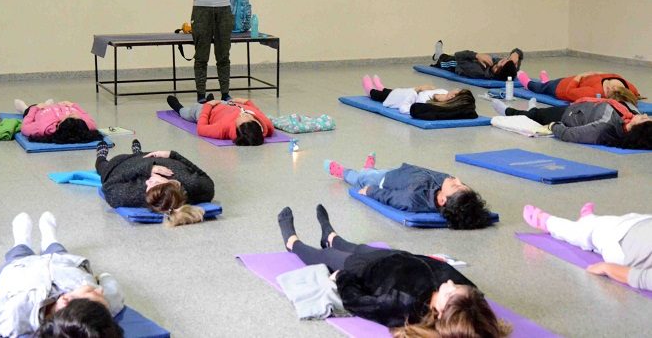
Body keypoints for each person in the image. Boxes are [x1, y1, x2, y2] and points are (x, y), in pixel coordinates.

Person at [276, 205, 511, 336]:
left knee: (327, 257)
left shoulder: (404, 307)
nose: (450, 284)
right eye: (457, 287)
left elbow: (357, 301)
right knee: (353, 246)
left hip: (364, 272)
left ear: (440, 314)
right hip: (393, 257)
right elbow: (473, 300)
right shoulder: (466, 299)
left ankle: (292, 243)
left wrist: (342, 279)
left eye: (450, 293)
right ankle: (330, 235)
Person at [0, 212, 124, 337]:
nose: (100, 291)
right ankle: (50, 238)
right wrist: (103, 277)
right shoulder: (105, 307)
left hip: (19, 270)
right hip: (64, 264)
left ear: (65, 300)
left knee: (18, 254)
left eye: (93, 291)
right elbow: (112, 289)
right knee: (58, 251)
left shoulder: (16, 315)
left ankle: (21, 240)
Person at [323, 154, 492, 229]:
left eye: (456, 185)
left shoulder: (413, 199)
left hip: (384, 182)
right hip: (399, 173)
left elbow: (392, 197)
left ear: (442, 201)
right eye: (461, 183)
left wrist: (371, 191)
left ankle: (342, 172)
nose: (457, 179)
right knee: (372, 172)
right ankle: (369, 168)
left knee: (361, 178)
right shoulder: (443, 186)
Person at [523, 202, 651, 292]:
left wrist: (607, 268)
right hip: (641, 223)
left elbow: (640, 278)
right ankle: (589, 220)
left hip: (621, 241)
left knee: (585, 232)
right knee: (614, 221)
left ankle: (547, 222)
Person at [96, 139, 214, 226]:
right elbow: (206, 179)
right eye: (155, 182)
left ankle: (101, 156)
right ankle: (138, 152)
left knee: (102, 167)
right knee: (141, 155)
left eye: (147, 186)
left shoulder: (133, 195)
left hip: (121, 163)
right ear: (174, 184)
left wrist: (145, 169)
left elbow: (108, 186)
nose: (148, 181)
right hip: (150, 155)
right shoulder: (193, 184)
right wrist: (173, 155)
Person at [492, 96, 652, 149]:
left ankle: (508, 111)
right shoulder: (631, 115)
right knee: (539, 113)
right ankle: (534, 110)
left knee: (535, 115)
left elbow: (570, 135)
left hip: (568, 115)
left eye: (645, 118)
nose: (644, 114)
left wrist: (553, 126)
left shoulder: (604, 128)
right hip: (582, 106)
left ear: (636, 127)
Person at [167, 95, 274, 146]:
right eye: (247, 116)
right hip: (227, 104)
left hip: (209, 111)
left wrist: (208, 106)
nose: (243, 114)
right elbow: (258, 111)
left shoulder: (223, 129)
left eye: (240, 118)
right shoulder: (266, 125)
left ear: (236, 128)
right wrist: (247, 102)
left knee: (188, 112)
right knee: (220, 102)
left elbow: (201, 129)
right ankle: (210, 100)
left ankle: (178, 107)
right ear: (256, 123)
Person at [362, 74, 477, 119]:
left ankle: (371, 91)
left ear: (453, 97)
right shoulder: (444, 91)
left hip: (402, 99)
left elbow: (405, 108)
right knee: (391, 91)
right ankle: (381, 87)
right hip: (408, 92)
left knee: (383, 95)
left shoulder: (427, 104)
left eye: (458, 91)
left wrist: (416, 90)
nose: (456, 89)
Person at [515, 70, 642, 103]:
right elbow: (635, 95)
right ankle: (546, 81)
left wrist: (579, 77)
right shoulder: (631, 88)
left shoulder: (594, 92)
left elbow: (570, 92)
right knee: (549, 84)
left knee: (543, 89)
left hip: (562, 88)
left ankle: (528, 83)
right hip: (571, 80)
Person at [14, 99, 102, 144]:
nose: (75, 114)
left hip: (42, 110)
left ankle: (24, 108)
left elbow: (25, 126)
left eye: (70, 116)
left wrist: (35, 108)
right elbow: (85, 114)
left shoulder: (43, 128)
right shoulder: (87, 125)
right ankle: (48, 104)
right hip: (58, 107)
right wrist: (73, 105)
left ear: (60, 124)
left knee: (29, 109)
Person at [431, 40, 522, 81]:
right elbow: (518, 52)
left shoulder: (477, 70)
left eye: (502, 61)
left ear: (496, 69)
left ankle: (438, 55)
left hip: (457, 64)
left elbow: (458, 55)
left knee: (444, 60)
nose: (503, 59)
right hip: (469, 61)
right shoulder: (510, 70)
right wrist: (516, 54)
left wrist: (476, 55)